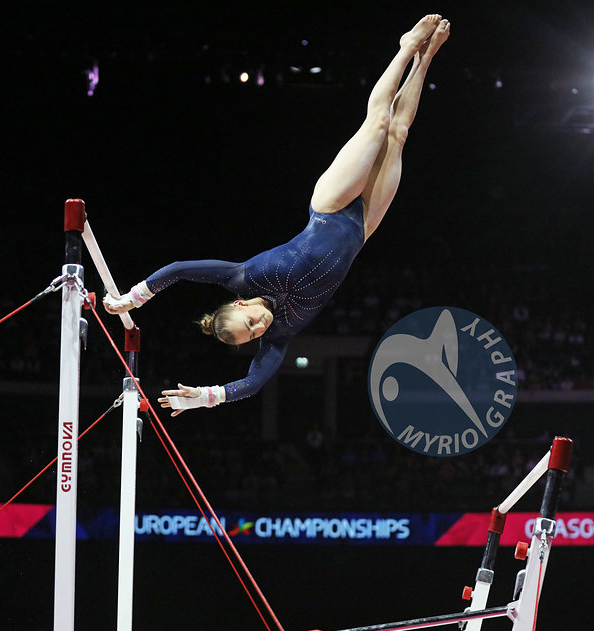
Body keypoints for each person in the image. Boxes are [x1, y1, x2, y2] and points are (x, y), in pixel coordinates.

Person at [104, 15, 451, 416]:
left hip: (330, 206)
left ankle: (406, 47)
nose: (259, 328)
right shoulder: (280, 336)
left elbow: (181, 269)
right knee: (399, 133)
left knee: (378, 125)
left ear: (239, 304)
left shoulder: (240, 277)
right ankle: (426, 57)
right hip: (362, 227)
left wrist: (134, 297)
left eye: (249, 322)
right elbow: (253, 383)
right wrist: (207, 397)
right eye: (252, 336)